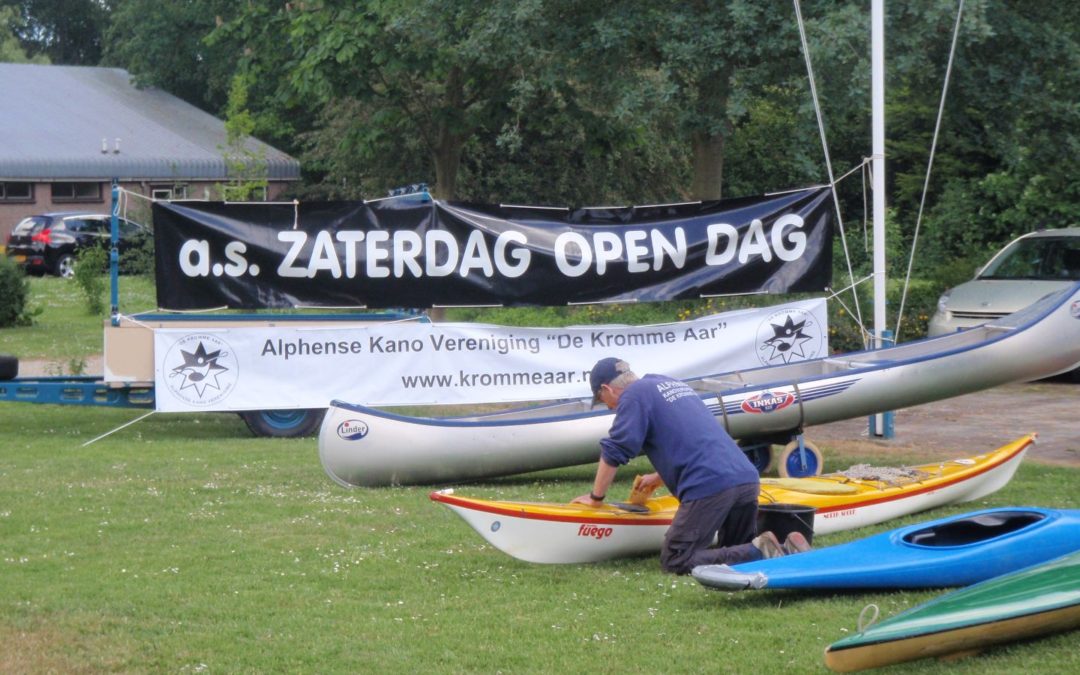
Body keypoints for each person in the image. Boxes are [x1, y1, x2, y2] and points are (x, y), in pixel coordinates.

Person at [572, 357, 810, 574]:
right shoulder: (666, 384)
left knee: (676, 560)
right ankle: (780, 547)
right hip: (745, 477)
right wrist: (658, 477)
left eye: (604, 401)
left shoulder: (633, 396)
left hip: (709, 485)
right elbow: (690, 433)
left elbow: (615, 449)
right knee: (735, 550)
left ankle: (759, 550)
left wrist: (596, 498)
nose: (610, 407)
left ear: (606, 389)